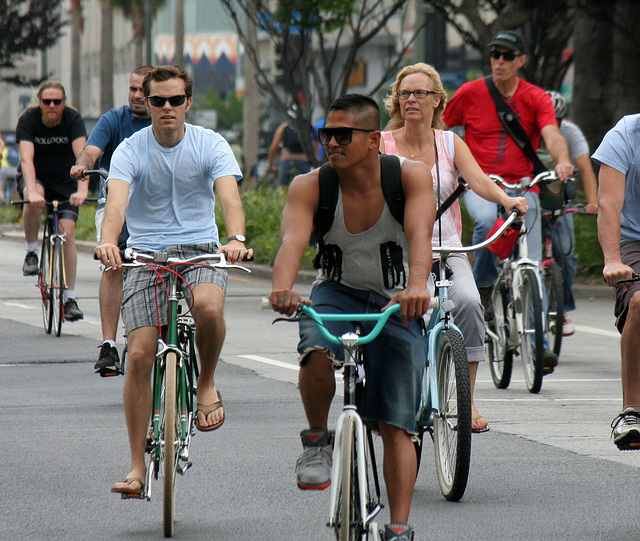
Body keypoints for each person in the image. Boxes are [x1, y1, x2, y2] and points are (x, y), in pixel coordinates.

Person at [269, 93, 435, 541]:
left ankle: (399, 527)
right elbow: (291, 242)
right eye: (327, 134)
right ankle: (318, 441)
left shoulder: (409, 177)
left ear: (374, 140)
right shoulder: (312, 185)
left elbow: (421, 235)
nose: (332, 143)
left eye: (344, 135)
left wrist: (417, 286)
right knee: (316, 350)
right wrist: (282, 289)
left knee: (398, 424)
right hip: (336, 294)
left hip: (396, 300)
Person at [94, 65, 251, 495]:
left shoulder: (210, 144)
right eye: (158, 100)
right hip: (146, 255)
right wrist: (109, 242)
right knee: (141, 355)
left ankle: (206, 383)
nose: (167, 108)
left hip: (201, 248)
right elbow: (116, 207)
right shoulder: (130, 149)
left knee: (208, 306)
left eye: (175, 100)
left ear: (188, 102)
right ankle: (135, 467)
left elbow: (229, 198)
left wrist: (235, 238)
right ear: (146, 102)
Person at [379, 63, 528, 433]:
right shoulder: (381, 143)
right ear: (397, 101)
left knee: (469, 303)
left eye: (420, 93)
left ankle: (466, 398)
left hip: (446, 250)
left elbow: (477, 180)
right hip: (397, 253)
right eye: (405, 93)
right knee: (398, 318)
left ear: (437, 101)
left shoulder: (448, 142)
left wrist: (506, 200)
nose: (412, 99)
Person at [443, 29, 574, 372]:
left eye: (506, 55)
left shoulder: (535, 98)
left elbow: (552, 136)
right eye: (494, 55)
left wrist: (561, 161)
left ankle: (540, 344)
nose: (499, 61)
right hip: (482, 184)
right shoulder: (470, 93)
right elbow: (440, 128)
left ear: (521, 61)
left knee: (530, 257)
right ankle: (483, 289)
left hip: (525, 187)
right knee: (487, 223)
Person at [70, 65, 153, 376]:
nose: (136, 96)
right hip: (114, 205)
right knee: (112, 260)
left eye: (143, 91)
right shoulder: (114, 120)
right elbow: (91, 151)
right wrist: (82, 165)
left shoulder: (166, 124)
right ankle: (108, 344)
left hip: (155, 209)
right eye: (132, 89)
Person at [15, 81, 88, 321]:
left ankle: (69, 299)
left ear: (64, 102)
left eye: (57, 101)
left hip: (66, 182)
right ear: (40, 102)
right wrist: (33, 193)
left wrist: (82, 189)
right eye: (47, 102)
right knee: (32, 196)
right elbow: (26, 159)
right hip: (38, 177)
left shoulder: (72, 119)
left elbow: (83, 157)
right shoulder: (29, 119)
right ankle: (31, 253)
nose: (52, 106)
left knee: (67, 233)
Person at [592, 113, 640, 450]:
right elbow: (609, 203)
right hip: (634, 241)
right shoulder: (625, 134)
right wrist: (612, 260)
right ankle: (632, 411)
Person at [540, 90, 599, 336]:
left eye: (558, 121)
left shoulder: (571, 132)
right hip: (530, 197)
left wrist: (593, 202)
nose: (553, 126)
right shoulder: (527, 130)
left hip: (558, 200)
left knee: (567, 252)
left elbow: (584, 168)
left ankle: (560, 310)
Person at [266, 111, 316, 187]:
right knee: (306, 188)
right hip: (304, 162)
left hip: (286, 161)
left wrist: (270, 166)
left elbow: (273, 148)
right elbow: (314, 145)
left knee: (282, 188)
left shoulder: (284, 127)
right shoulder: (306, 128)